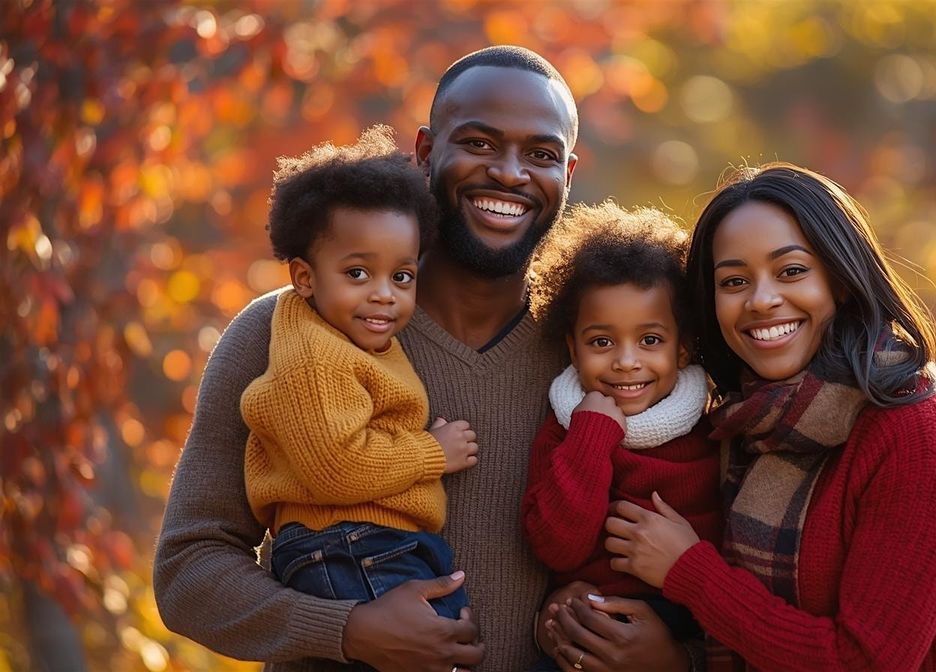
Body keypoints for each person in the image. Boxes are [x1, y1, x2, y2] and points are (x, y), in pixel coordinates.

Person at [154, 46, 692, 672]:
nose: (511, 174)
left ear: (568, 175)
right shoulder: (288, 329)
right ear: (426, 150)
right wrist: (345, 629)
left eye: (540, 155)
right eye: (481, 143)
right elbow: (188, 569)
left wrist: (673, 656)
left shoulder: (603, 359)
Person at [561, 163, 936, 670]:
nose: (761, 301)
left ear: (841, 279)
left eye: (791, 271)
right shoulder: (739, 425)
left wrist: (692, 572)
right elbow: (735, 636)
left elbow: (867, 662)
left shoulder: (917, 431)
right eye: (735, 280)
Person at [240, 127, 477, 652]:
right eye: (357, 272)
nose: (383, 295)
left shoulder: (362, 343)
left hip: (372, 542)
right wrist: (430, 453)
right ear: (304, 278)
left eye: (402, 277)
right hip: (345, 544)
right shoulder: (312, 355)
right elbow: (334, 467)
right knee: (430, 651)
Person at [520, 202, 722, 671]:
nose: (626, 361)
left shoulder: (711, 428)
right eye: (601, 342)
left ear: (684, 347)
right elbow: (556, 547)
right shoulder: (566, 427)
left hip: (681, 629)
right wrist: (592, 435)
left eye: (650, 340)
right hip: (584, 629)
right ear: (572, 346)